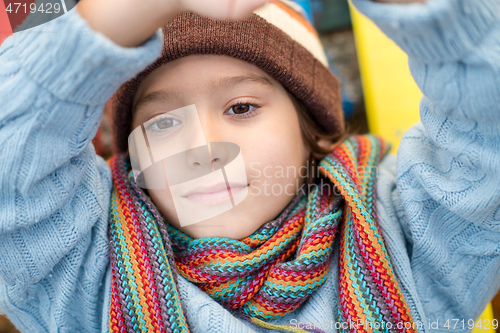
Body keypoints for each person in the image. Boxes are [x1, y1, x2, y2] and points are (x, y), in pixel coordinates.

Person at [0, 0, 499, 332]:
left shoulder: (410, 235)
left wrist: (426, 10)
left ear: (311, 132)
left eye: (241, 108)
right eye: (163, 124)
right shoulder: (87, 277)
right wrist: (119, 14)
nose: (203, 148)